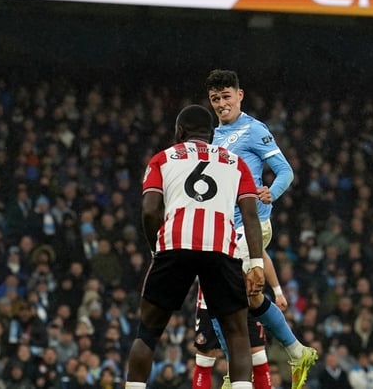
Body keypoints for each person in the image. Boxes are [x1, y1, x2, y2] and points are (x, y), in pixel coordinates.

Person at [124, 104, 266, 389]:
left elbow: (150, 211)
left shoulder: (162, 159)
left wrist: (157, 251)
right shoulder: (235, 162)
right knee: (237, 335)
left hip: (175, 245)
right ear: (212, 135)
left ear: (179, 132)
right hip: (220, 247)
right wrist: (256, 264)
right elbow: (250, 215)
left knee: (148, 333)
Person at [192, 69, 317, 389]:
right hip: (225, 228)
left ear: (240, 95)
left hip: (250, 225)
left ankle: (238, 371)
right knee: (247, 297)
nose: (221, 104)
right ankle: (295, 350)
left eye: (226, 96)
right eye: (215, 99)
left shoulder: (253, 129)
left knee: (219, 296)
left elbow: (285, 171)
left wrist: (270, 193)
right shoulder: (213, 136)